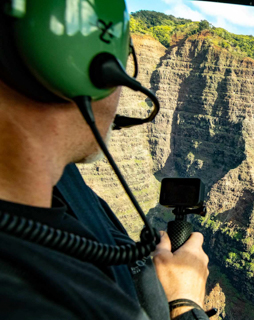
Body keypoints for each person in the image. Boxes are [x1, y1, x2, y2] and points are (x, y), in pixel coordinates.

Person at [0, 1, 210, 319]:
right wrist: (183, 302)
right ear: (86, 63)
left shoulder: (64, 184)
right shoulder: (29, 304)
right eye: (122, 63)